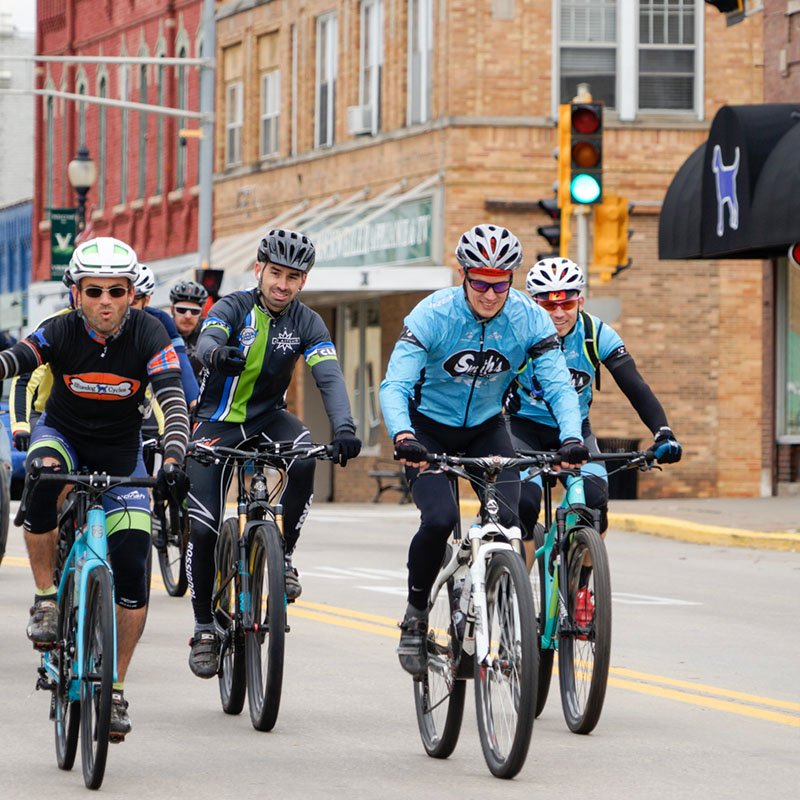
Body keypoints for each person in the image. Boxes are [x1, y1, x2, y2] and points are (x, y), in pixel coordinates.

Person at [0, 237, 190, 740]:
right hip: (62, 436)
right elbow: (20, 357)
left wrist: (172, 456)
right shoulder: (59, 329)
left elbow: (171, 399)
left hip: (121, 453)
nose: (105, 301)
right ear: (75, 293)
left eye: (116, 291)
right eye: (93, 291)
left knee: (132, 570)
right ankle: (45, 598)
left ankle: (117, 689)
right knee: (41, 475)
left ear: (131, 293)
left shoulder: (150, 333)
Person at [378, 223, 587, 677]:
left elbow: (557, 382)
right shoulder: (433, 314)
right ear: (462, 274)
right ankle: (415, 617)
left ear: (511, 277)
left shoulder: (529, 317)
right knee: (438, 520)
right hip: (427, 431)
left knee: (511, 519)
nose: (490, 294)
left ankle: (492, 604)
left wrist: (571, 435)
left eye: (500, 283)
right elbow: (395, 384)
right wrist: (402, 436)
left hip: (487, 428)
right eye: (480, 282)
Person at [185, 227, 362, 678]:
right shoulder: (233, 306)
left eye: (293, 277)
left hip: (267, 420)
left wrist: (344, 427)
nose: (282, 284)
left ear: (304, 281)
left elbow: (330, 377)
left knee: (305, 456)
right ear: (259, 269)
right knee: (204, 528)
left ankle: (284, 555)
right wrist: (215, 356)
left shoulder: (307, 322)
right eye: (276, 273)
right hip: (216, 423)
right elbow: (207, 339)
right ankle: (205, 626)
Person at [506, 257, 682, 566]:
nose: (559, 313)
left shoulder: (595, 334)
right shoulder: (519, 335)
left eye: (567, 303)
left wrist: (662, 431)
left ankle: (584, 590)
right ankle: (517, 597)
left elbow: (635, 386)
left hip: (575, 431)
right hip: (523, 428)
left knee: (596, 496)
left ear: (581, 300)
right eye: (548, 305)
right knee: (525, 502)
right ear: (534, 304)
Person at [169, 279, 208, 380]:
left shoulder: (208, 331)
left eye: (195, 312)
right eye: (181, 310)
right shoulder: (161, 332)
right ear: (172, 309)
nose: (188, 316)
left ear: (201, 313)